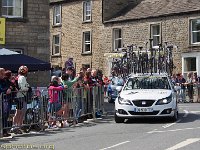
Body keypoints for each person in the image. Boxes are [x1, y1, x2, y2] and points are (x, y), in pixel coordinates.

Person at [11, 66, 30, 133]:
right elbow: (22, 88)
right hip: (21, 96)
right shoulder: (22, 78)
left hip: (19, 96)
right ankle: (17, 126)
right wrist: (28, 88)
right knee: (20, 112)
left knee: (19, 112)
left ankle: (16, 126)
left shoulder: (19, 77)